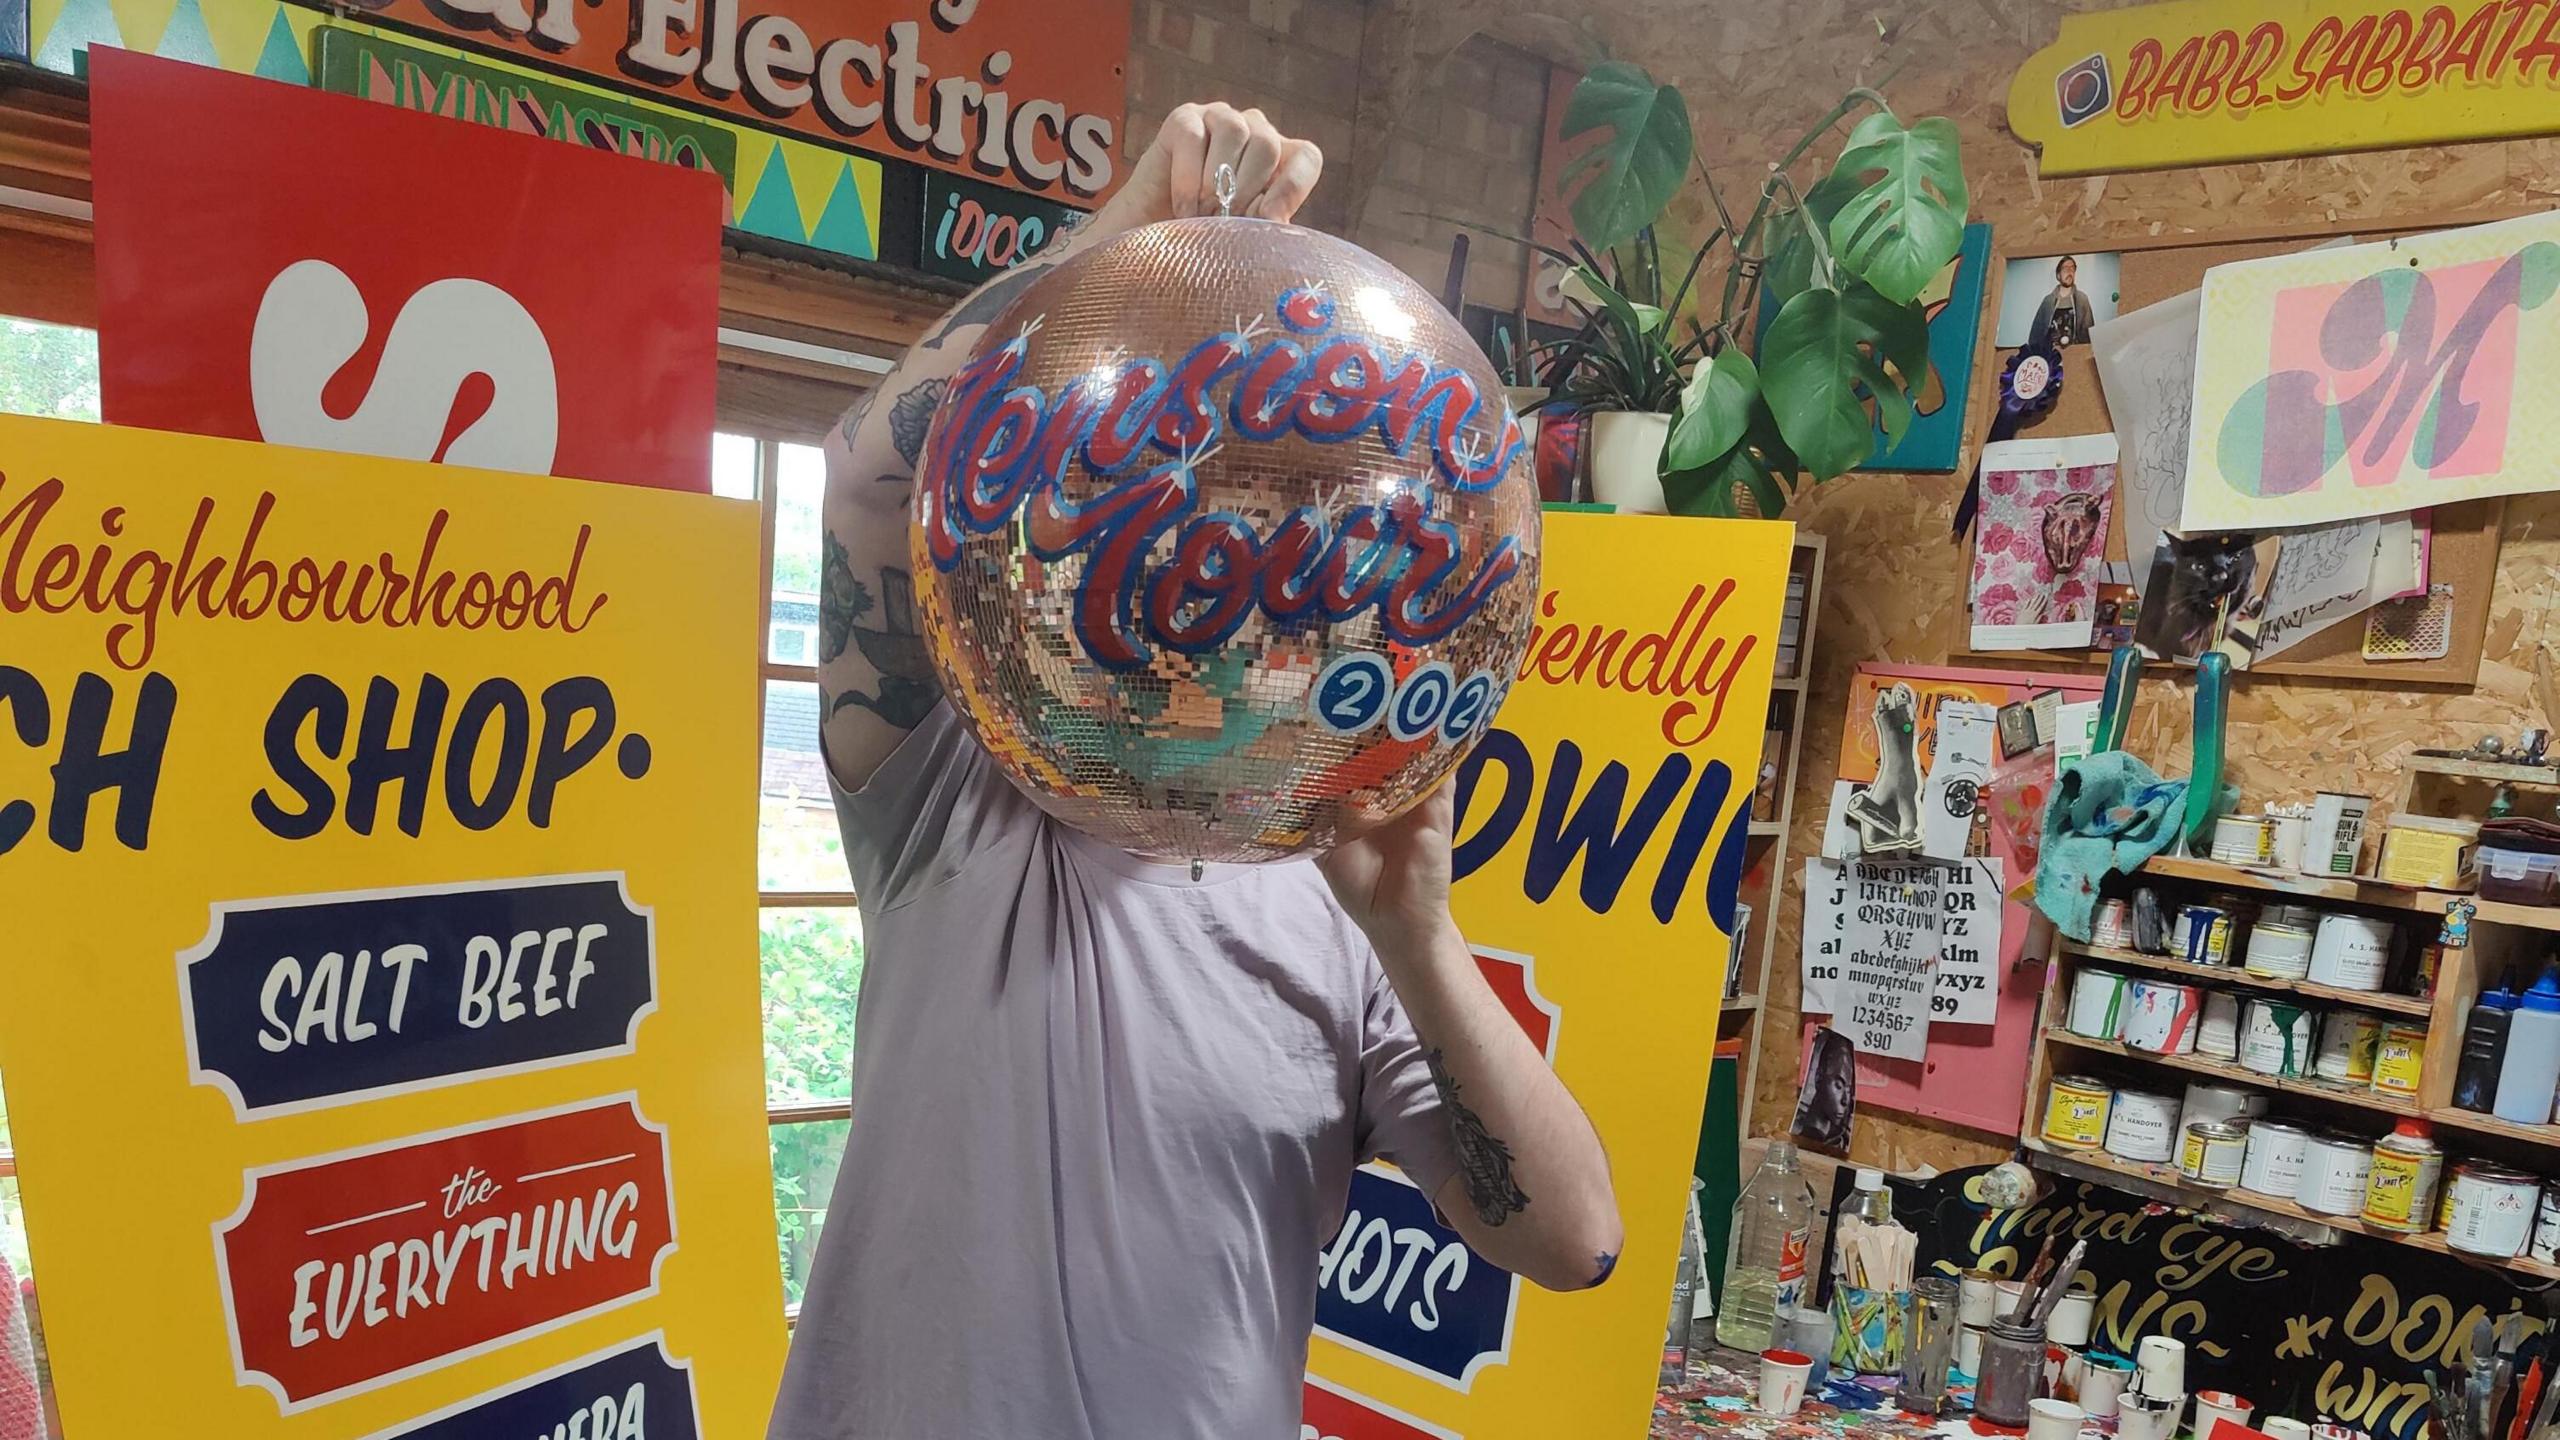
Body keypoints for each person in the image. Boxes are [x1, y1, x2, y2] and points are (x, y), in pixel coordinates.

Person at [767, 103, 1624, 1439]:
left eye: (1269, 562)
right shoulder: (955, 794)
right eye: (1180, 539)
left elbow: (1576, 1241)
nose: (1221, 604)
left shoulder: (1342, 907)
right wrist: (1121, 244)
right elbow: (870, 485)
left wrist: (1419, 932)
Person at [2029, 255, 2093, 348]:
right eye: (2066, 268)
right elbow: (2036, 334)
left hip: (2074, 354)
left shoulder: (2082, 299)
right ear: (2058, 275)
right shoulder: (2048, 301)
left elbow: (2089, 334)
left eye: (2072, 268)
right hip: (2051, 356)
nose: (2070, 271)